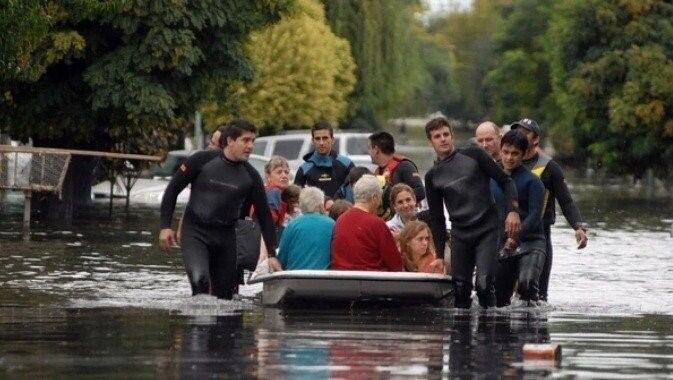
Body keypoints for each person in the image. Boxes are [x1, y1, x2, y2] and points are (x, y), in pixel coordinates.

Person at [159, 119, 281, 299]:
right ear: (230, 141)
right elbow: (172, 190)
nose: (250, 146)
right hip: (195, 233)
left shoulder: (251, 176)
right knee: (201, 282)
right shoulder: (201, 160)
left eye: (253, 141)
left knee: (226, 297)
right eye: (245, 140)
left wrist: (271, 254)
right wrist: (165, 226)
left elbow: (265, 217)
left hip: (226, 237)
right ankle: (198, 326)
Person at [424, 117, 521, 309]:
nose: (443, 139)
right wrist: (440, 256)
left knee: (483, 285)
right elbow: (437, 218)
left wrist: (513, 211)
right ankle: (462, 338)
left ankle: (489, 331)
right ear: (431, 141)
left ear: (452, 136)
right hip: (461, 234)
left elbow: (506, 181)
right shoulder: (432, 176)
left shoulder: (474, 155)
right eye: (437, 136)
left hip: (487, 228)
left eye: (446, 134)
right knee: (460, 291)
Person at [511, 118, 588, 302]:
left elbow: (566, 200)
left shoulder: (549, 167)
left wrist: (578, 226)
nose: (519, 136)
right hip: (510, 232)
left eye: (524, 132)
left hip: (540, 235)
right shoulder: (508, 161)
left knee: (537, 294)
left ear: (536, 139)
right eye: (517, 131)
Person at [490, 131, 546, 306]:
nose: (509, 158)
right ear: (500, 150)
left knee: (527, 285)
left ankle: (532, 326)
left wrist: (515, 238)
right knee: (498, 301)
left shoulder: (533, 182)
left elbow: (535, 215)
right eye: (506, 152)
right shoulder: (493, 180)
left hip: (531, 243)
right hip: (502, 244)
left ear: (523, 154)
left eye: (515, 154)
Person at [331, 175, 405, 271]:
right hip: (370, 281)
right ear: (374, 197)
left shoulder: (340, 220)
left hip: (341, 280)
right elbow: (395, 264)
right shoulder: (376, 223)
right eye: (379, 197)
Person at [276, 187, 334, 270]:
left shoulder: (292, 225)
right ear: (321, 204)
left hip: (294, 277)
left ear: (301, 204)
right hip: (323, 278)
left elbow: (282, 258)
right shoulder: (332, 224)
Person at [294, 122, 354, 197]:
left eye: (325, 138)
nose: (321, 143)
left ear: (332, 140)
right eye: (317, 139)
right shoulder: (304, 169)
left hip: (342, 208)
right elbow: (296, 198)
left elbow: (357, 191)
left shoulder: (346, 164)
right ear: (312, 141)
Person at [368, 131, 425, 204]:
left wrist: (397, 198)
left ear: (376, 149)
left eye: (369, 148)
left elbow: (420, 192)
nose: (368, 152)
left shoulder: (405, 166)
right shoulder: (378, 171)